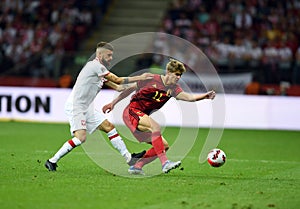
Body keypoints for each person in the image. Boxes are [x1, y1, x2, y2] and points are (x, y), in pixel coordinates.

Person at [45, 42, 153, 171]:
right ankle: (52, 161)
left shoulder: (100, 71)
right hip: (76, 106)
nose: (111, 58)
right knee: (81, 138)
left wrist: (140, 85)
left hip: (87, 107)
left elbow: (119, 87)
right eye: (108, 55)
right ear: (100, 54)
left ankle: (129, 158)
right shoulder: (94, 66)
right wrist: (140, 77)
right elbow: (118, 80)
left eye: (111, 55)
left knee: (109, 127)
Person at [102, 59, 216, 174]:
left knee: (164, 146)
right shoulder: (151, 79)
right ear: (168, 72)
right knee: (155, 127)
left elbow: (188, 97)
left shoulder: (174, 89)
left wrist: (204, 96)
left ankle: (137, 166)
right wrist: (113, 103)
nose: (178, 77)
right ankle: (165, 163)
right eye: (176, 74)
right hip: (131, 112)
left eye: (180, 75)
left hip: (142, 117)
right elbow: (130, 89)